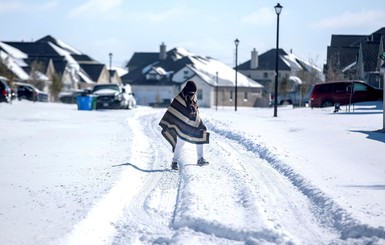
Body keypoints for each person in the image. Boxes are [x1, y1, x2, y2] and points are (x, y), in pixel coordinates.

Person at [159, 80, 210, 170]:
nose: (192, 94)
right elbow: (174, 111)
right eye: (191, 92)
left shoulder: (194, 97)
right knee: (180, 144)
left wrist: (197, 120)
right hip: (182, 124)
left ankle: (200, 159)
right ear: (186, 90)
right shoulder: (179, 98)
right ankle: (174, 162)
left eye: (194, 92)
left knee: (200, 135)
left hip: (193, 123)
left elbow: (195, 110)